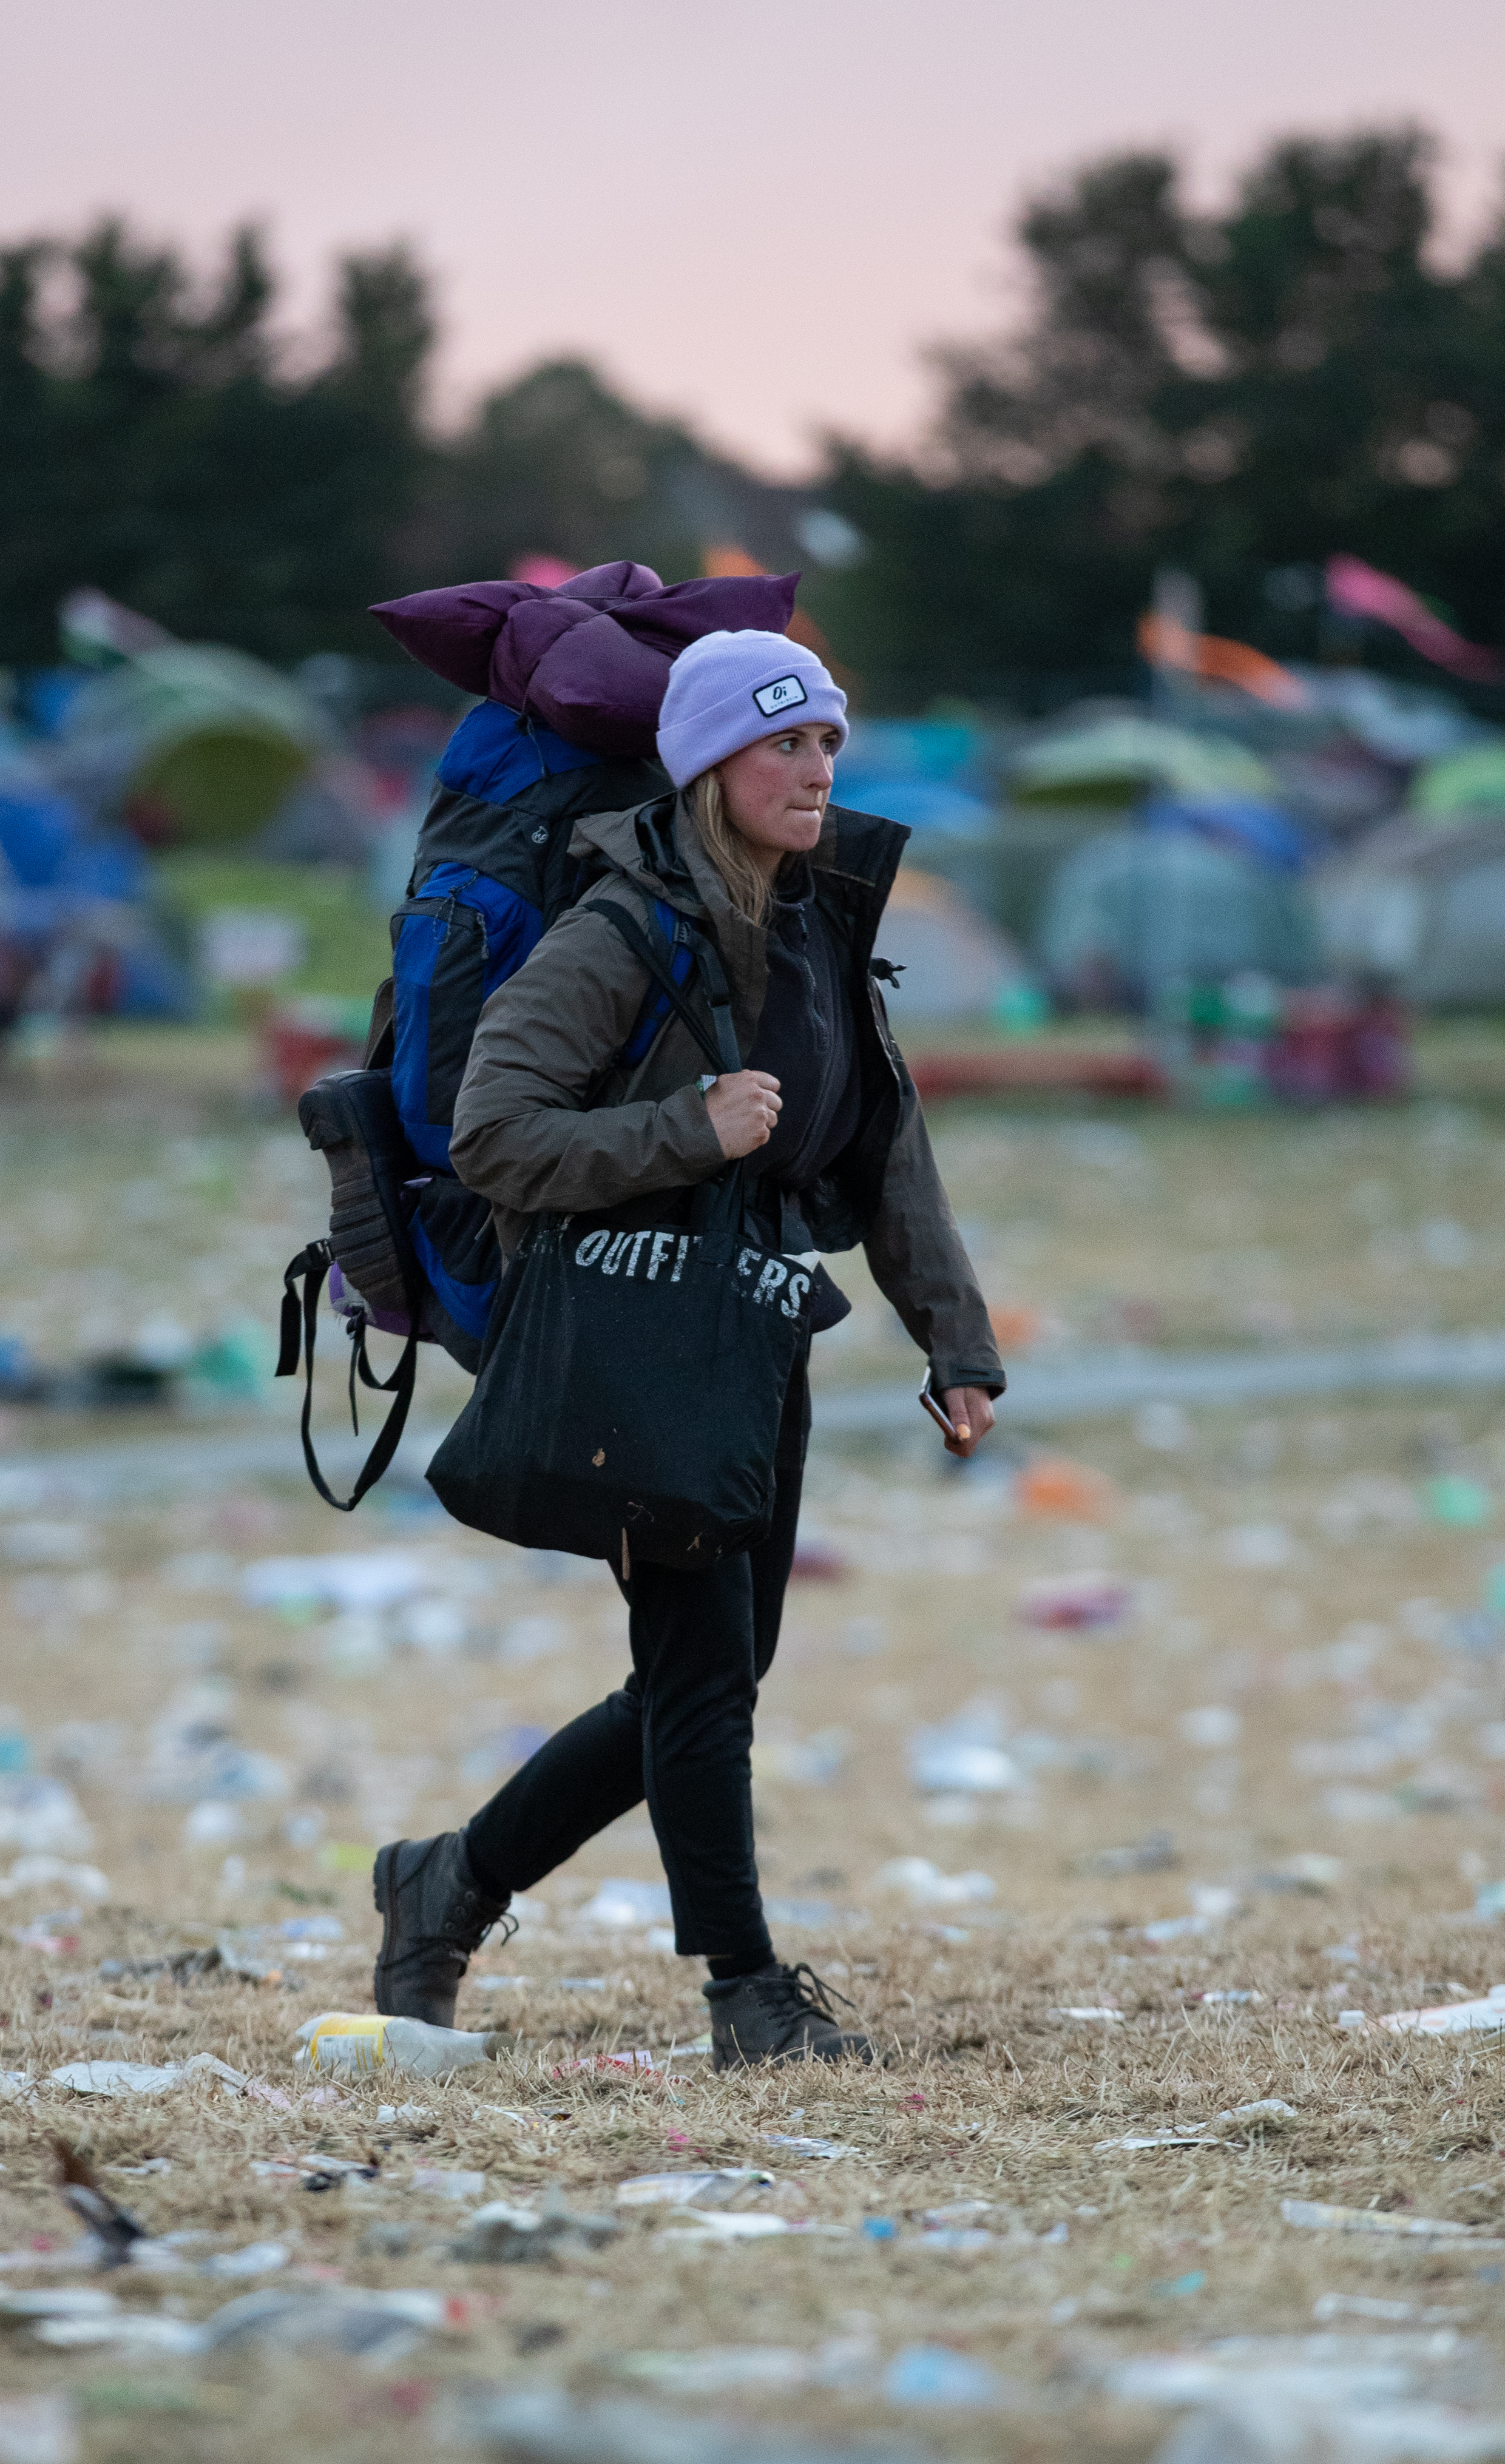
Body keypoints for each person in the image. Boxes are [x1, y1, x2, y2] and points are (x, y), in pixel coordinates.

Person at [371, 630, 1003, 2068]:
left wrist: (954, 1343)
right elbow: (492, 1133)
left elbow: (887, 1145)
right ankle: (748, 1996)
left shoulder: (817, 923)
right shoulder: (620, 928)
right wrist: (686, 1128)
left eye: (829, 742)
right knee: (705, 1676)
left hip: (752, 1328)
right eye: (784, 744)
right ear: (710, 765)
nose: (816, 768)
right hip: (630, 1337)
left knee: (706, 1674)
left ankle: (448, 1881)